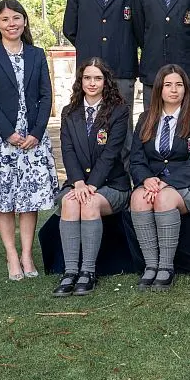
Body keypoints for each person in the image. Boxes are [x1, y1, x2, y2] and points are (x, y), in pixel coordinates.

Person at [0, 0, 58, 280]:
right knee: (3, 197)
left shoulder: (36, 54)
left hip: (32, 138)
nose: (11, 24)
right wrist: (8, 132)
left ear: (25, 21)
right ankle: (11, 255)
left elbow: (46, 95)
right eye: (5, 19)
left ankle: (27, 255)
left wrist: (36, 133)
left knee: (29, 198)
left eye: (16, 18)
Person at [129, 65, 190, 291]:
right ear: (159, 89)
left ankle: (166, 267)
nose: (174, 90)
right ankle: (151, 266)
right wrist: (146, 179)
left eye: (179, 85)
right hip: (153, 182)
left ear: (186, 89)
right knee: (138, 199)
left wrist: (167, 183)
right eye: (168, 85)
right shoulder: (146, 118)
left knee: (164, 198)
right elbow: (136, 159)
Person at [52, 58, 132, 297]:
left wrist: (91, 185)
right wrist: (78, 182)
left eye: (98, 78)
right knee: (69, 202)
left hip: (111, 184)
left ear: (106, 81)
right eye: (87, 78)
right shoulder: (69, 112)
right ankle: (70, 272)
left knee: (88, 203)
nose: (92, 83)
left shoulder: (119, 111)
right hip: (77, 183)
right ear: (81, 80)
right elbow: (67, 151)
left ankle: (88, 272)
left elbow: (110, 154)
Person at [62, 0, 138, 121]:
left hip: (122, 68)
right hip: (89, 70)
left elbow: (140, 28)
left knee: (123, 126)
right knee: (89, 123)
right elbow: (69, 28)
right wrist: (90, 45)